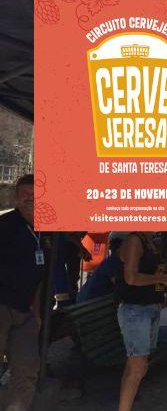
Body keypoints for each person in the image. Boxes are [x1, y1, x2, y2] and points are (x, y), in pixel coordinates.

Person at [117, 232, 167, 411]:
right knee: (138, 367)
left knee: (136, 366)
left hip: (150, 307)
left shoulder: (150, 242)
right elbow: (131, 277)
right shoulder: (134, 240)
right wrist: (162, 279)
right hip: (136, 309)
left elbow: (153, 274)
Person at [0, 175, 44, 411]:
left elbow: (39, 275)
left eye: (34, 194)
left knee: (27, 371)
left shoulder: (43, 229)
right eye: (25, 194)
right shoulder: (5, 226)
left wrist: (36, 310)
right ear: (16, 198)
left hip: (25, 311)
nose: (30, 198)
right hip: (2, 306)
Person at [76, 232, 126, 303]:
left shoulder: (111, 261)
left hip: (87, 303)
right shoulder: (114, 262)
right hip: (90, 305)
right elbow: (121, 286)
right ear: (119, 249)